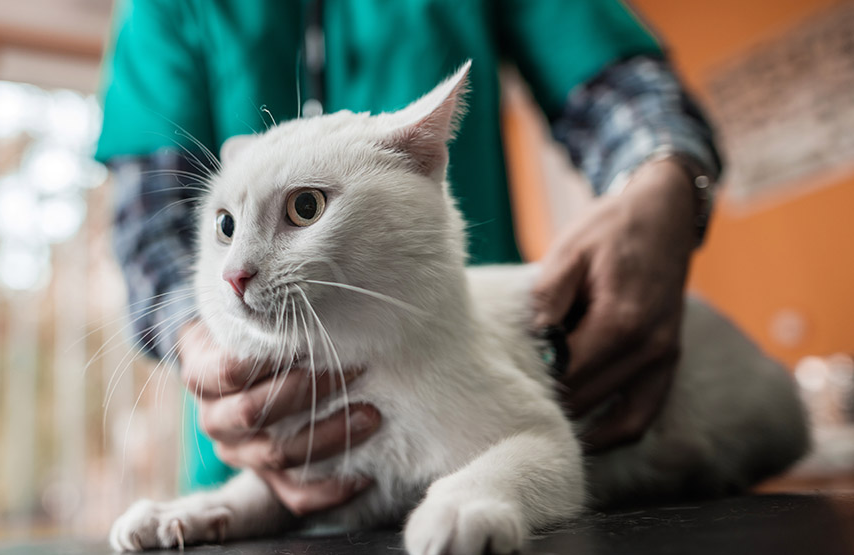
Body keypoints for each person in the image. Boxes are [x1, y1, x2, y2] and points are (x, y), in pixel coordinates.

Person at [96, 0, 721, 516]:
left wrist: (663, 177)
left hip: (466, 373)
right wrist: (195, 340)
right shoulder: (161, 10)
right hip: (258, 435)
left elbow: (617, 88)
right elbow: (155, 227)